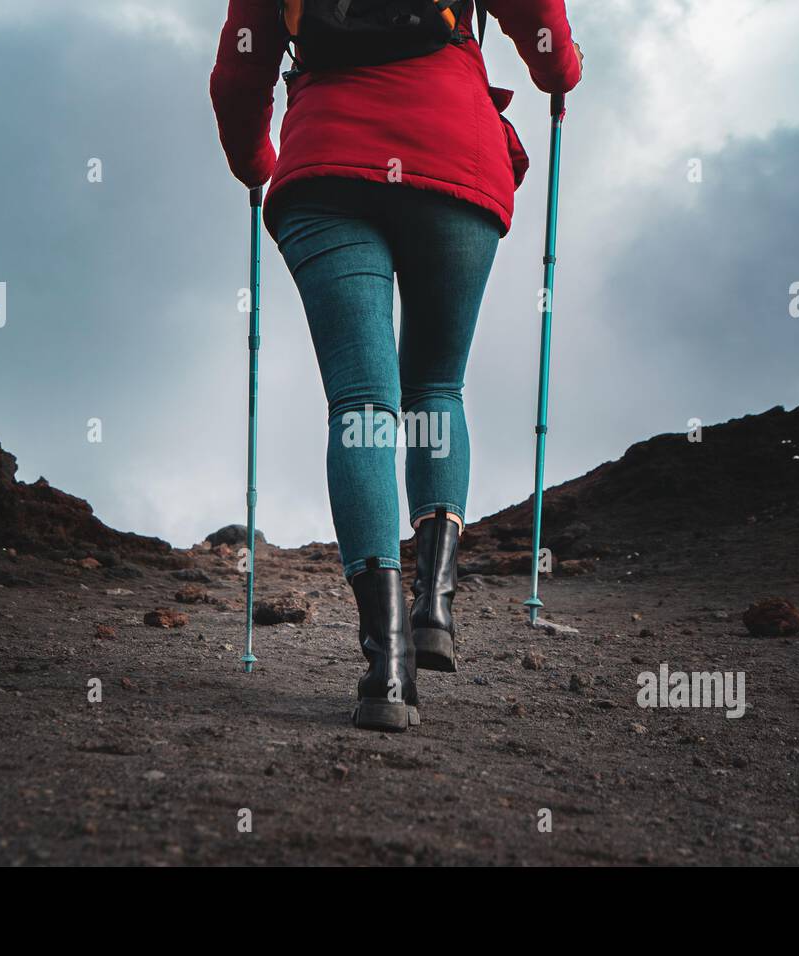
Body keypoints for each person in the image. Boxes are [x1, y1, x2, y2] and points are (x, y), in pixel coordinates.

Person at [211, 0, 582, 732]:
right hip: (454, 154)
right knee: (438, 386)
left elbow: (237, 75)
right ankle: (434, 606)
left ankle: (385, 669)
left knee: (360, 406)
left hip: (326, 170)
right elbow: (539, 22)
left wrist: (257, 163)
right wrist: (558, 71)